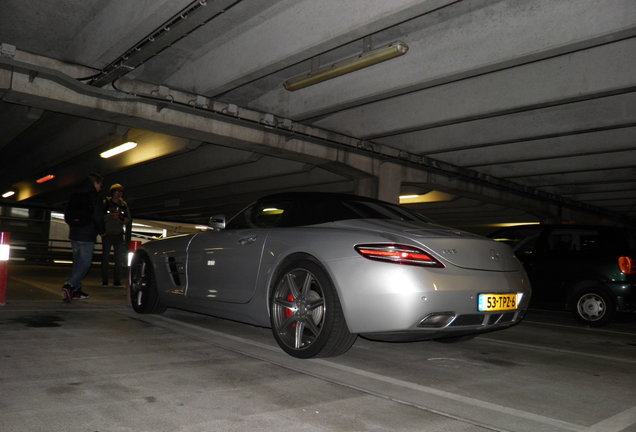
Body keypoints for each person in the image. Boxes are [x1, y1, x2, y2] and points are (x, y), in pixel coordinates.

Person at [62, 172, 105, 302]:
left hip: (74, 233)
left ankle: (76, 291)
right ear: (95, 183)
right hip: (87, 234)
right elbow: (98, 216)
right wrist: (102, 231)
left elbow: (67, 213)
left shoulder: (74, 194)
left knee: (78, 263)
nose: (100, 188)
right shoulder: (94, 196)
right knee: (85, 263)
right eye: (100, 185)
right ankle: (69, 284)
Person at [101, 183, 132, 288]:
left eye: (120, 192)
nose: (118, 194)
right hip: (107, 234)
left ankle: (117, 280)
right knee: (105, 257)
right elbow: (100, 217)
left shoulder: (123, 205)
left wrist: (120, 219)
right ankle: (105, 280)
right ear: (112, 193)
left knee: (118, 258)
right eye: (116, 192)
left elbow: (128, 219)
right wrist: (111, 216)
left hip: (118, 234)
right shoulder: (105, 203)